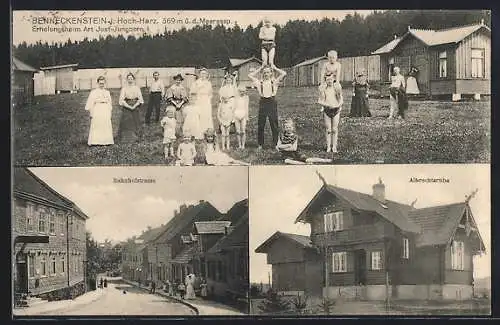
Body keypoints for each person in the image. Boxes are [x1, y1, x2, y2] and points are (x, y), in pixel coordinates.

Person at [248, 65, 287, 150]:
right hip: (263, 102)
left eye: (268, 72)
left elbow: (284, 73)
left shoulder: (275, 82)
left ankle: (276, 143)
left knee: (274, 124)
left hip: (272, 102)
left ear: (271, 73)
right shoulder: (259, 82)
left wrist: (275, 68)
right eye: (264, 72)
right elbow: (250, 75)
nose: (266, 74)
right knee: (261, 124)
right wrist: (260, 68)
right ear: (262, 73)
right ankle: (260, 144)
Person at [85, 76, 114, 146]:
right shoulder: (94, 92)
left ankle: (106, 141)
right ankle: (96, 141)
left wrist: (109, 111)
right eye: (100, 83)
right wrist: (91, 112)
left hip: (105, 108)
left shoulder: (107, 92)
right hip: (97, 108)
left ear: (105, 83)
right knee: (97, 124)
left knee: (105, 123)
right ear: (97, 83)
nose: (102, 85)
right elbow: (90, 103)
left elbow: (110, 102)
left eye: (103, 83)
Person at [318, 73, 343, 153]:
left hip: (336, 110)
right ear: (325, 80)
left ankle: (334, 147)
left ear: (333, 79)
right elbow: (320, 101)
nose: (329, 81)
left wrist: (337, 105)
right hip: (327, 110)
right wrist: (327, 105)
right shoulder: (324, 89)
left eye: (331, 79)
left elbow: (341, 100)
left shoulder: (337, 88)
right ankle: (328, 146)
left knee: (335, 129)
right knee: (328, 129)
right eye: (327, 79)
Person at [118, 73, 144, 143]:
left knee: (136, 121)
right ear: (127, 80)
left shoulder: (137, 88)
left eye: (131, 78)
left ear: (134, 79)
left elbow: (140, 99)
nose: (130, 80)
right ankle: (127, 138)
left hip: (135, 105)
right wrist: (129, 106)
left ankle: (137, 137)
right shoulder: (124, 88)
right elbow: (121, 100)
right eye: (128, 79)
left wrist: (134, 106)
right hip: (127, 105)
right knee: (127, 121)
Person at [218, 73, 237, 150]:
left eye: (230, 80)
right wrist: (223, 99)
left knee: (232, 113)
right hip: (225, 100)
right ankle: (222, 127)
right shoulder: (223, 87)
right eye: (227, 80)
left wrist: (235, 78)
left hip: (232, 100)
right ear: (225, 80)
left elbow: (235, 92)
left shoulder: (233, 87)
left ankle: (233, 127)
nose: (229, 81)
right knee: (224, 112)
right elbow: (221, 95)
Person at [191, 68, 214, 135]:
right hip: (199, 99)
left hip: (206, 100)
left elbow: (211, 93)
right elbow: (193, 92)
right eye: (202, 73)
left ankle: (207, 130)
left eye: (205, 73)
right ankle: (198, 131)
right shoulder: (196, 82)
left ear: (206, 75)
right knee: (199, 114)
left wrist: (208, 99)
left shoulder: (209, 83)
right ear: (199, 74)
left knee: (206, 114)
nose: (203, 75)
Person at [234, 85, 249, 149]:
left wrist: (247, 116)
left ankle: (243, 145)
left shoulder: (246, 97)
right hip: (236, 114)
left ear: (245, 92)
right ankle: (239, 145)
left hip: (243, 114)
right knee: (238, 131)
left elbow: (246, 107)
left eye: (243, 91)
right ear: (238, 91)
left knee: (243, 131)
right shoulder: (236, 97)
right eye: (240, 91)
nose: (242, 93)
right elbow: (234, 107)